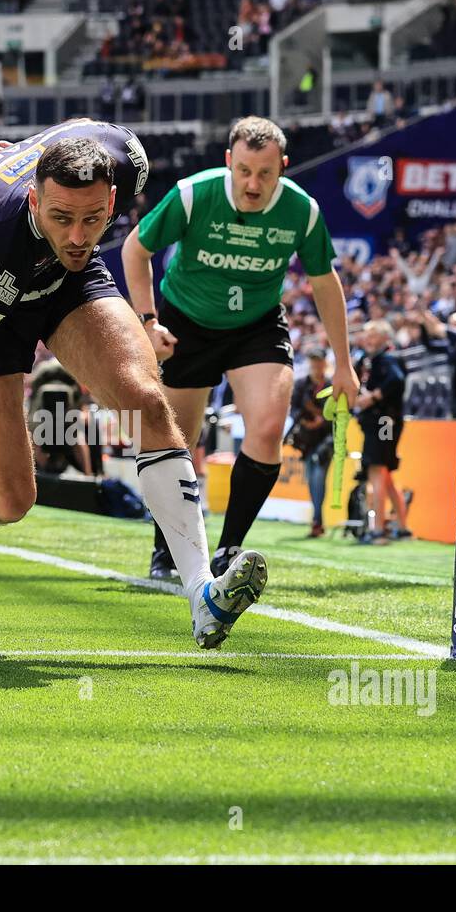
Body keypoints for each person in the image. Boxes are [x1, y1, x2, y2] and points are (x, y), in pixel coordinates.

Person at [0, 120, 268, 651]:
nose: (80, 235)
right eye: (61, 217)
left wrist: (145, 320)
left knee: (147, 399)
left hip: (66, 281)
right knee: (10, 499)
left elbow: (73, 135)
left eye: (94, 218)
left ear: (115, 197)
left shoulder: (126, 156)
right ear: (34, 200)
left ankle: (201, 594)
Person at [121, 116, 358, 579]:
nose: (253, 183)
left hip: (257, 326)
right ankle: (166, 549)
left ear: (283, 168)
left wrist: (343, 365)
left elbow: (325, 284)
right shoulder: (194, 195)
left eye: (265, 173)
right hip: (186, 322)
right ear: (229, 161)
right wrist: (149, 323)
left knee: (268, 428)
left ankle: (228, 549)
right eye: (244, 170)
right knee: (177, 444)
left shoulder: (301, 212)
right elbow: (135, 249)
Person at [354, 321, 408, 544]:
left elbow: (397, 380)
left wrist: (372, 397)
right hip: (381, 422)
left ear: (385, 338)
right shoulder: (370, 360)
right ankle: (403, 528)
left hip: (383, 421)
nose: (368, 339)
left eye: (373, 335)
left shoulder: (388, 359)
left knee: (377, 470)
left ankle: (378, 530)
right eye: (367, 335)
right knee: (385, 475)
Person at [286, 348, 331, 538]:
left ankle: (317, 520)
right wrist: (305, 421)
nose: (315, 366)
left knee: (318, 477)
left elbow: (339, 411)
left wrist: (323, 420)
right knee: (312, 479)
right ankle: (317, 519)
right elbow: (293, 408)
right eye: (313, 362)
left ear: (324, 363)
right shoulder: (302, 384)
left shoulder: (331, 384)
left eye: (318, 362)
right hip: (306, 439)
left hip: (327, 439)